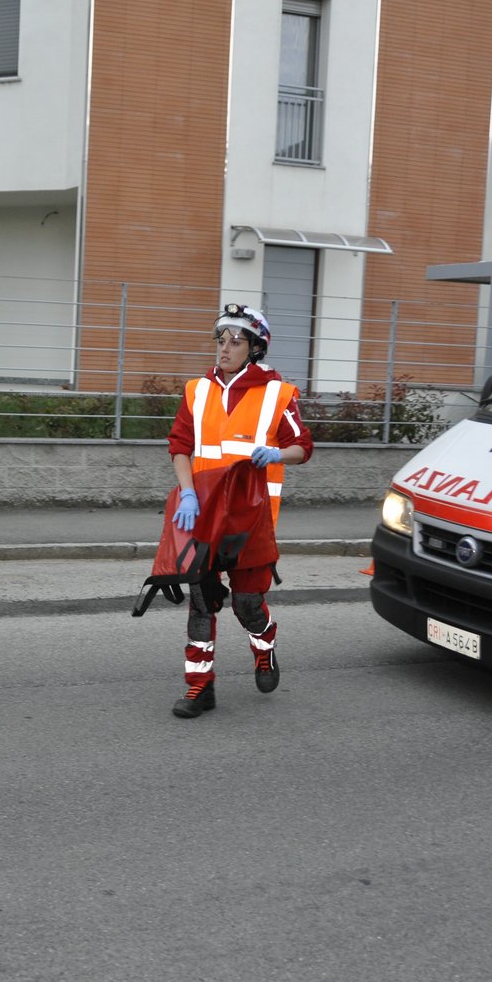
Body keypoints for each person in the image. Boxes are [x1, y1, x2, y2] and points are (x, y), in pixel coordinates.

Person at [164, 303, 313, 718]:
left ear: (255, 347)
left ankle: (264, 648)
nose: (224, 348)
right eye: (220, 339)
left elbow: (304, 447)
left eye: (235, 340)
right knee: (200, 604)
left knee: (247, 604)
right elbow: (179, 446)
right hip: (204, 516)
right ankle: (199, 687)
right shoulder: (197, 390)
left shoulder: (277, 393)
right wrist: (187, 493)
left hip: (251, 520)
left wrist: (278, 453)